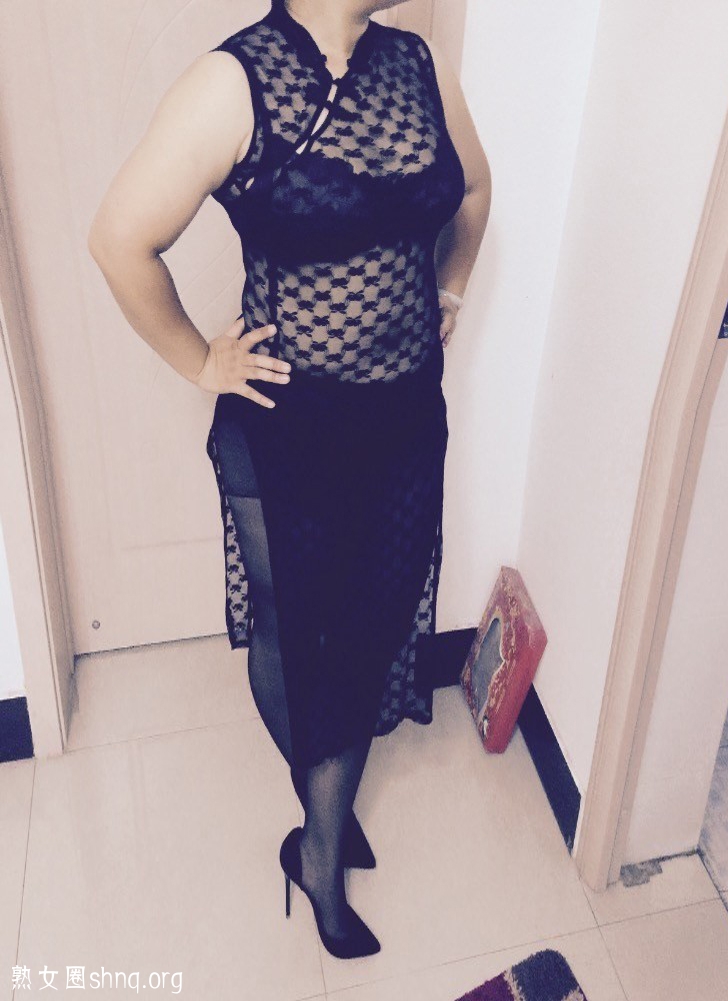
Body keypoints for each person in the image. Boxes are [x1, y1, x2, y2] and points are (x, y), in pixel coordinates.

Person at [88, 0, 491, 960]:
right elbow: (118, 239)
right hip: (288, 430)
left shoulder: (418, 65)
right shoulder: (235, 82)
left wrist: (450, 285)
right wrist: (201, 360)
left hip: (404, 418)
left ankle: (324, 801)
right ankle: (319, 844)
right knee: (300, 634)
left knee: (375, 621)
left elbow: (473, 188)